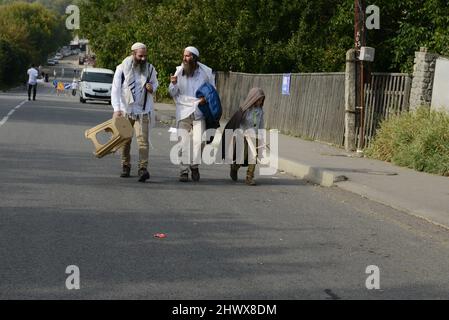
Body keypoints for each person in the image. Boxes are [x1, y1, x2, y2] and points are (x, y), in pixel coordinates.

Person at [111, 42, 158, 183]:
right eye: (140, 56)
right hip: (126, 110)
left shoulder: (149, 69)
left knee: (143, 141)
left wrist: (152, 88)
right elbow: (115, 90)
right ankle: (125, 166)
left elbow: (156, 84)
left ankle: (143, 169)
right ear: (133, 54)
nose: (143, 58)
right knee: (125, 140)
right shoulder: (122, 69)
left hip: (143, 111)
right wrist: (117, 109)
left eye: (145, 56)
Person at [169, 46, 215, 182]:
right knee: (183, 142)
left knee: (199, 142)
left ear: (194, 58)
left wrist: (205, 99)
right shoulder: (179, 72)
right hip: (183, 112)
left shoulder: (205, 73)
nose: (185, 58)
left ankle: (194, 166)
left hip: (199, 112)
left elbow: (213, 92)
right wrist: (173, 84)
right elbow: (172, 93)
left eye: (188, 56)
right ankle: (183, 171)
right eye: (184, 56)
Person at [223, 88, 265, 186]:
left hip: (255, 136)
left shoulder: (260, 111)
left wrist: (261, 135)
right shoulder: (245, 109)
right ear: (253, 98)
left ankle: (249, 177)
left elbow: (261, 124)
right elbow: (239, 122)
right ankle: (234, 167)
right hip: (244, 136)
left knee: (253, 156)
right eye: (259, 99)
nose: (260, 102)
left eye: (262, 100)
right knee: (242, 157)